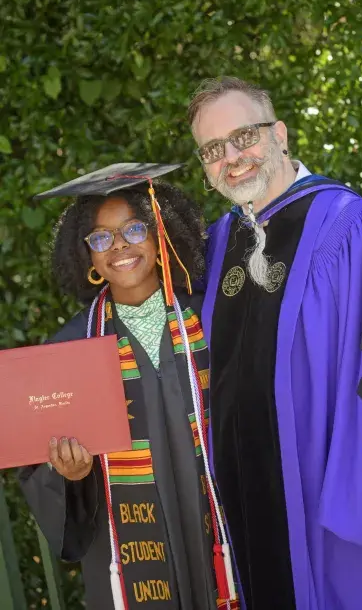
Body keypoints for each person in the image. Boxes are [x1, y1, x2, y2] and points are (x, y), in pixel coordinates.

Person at [188, 77, 362, 610]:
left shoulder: (354, 227)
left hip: (345, 516)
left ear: (279, 134)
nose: (232, 158)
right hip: (245, 515)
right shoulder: (214, 246)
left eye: (244, 136)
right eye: (212, 149)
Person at [19, 164, 238, 610]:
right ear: (89, 258)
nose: (118, 245)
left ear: (161, 234)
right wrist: (71, 474)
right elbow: (40, 459)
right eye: (101, 238)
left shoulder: (213, 318)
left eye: (133, 229)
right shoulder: (70, 347)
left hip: (227, 525)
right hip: (129, 549)